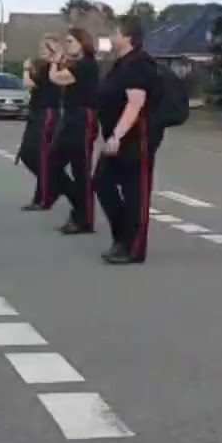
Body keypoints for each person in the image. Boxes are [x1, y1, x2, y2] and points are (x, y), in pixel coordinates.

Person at [93, 16, 162, 265]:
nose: (111, 38)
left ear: (127, 37)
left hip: (136, 138)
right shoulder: (121, 64)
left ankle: (133, 248)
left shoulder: (139, 64)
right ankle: (122, 236)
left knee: (135, 194)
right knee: (101, 183)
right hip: (116, 138)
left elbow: (135, 104)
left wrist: (117, 135)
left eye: (115, 33)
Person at [47, 27, 100, 235]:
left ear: (82, 43)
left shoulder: (87, 65)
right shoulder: (77, 64)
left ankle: (84, 218)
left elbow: (57, 78)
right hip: (70, 117)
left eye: (71, 42)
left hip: (83, 118)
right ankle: (79, 206)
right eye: (66, 41)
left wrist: (54, 62)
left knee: (81, 170)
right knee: (53, 162)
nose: (67, 45)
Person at [17, 35, 62, 211]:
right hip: (37, 111)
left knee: (40, 154)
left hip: (47, 113)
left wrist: (26, 69)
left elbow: (28, 83)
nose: (41, 52)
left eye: (45, 49)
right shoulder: (45, 66)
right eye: (41, 48)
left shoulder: (53, 67)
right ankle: (50, 186)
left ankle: (44, 196)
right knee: (29, 154)